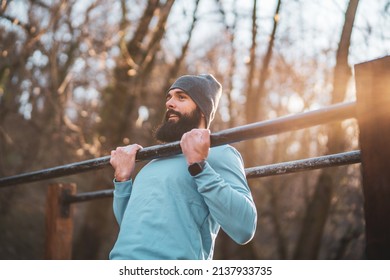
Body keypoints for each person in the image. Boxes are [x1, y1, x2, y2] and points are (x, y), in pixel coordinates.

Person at [109, 74, 257, 260]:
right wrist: (122, 181)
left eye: (181, 97)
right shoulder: (152, 163)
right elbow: (131, 227)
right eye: (169, 97)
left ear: (203, 109)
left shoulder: (219, 152)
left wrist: (199, 166)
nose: (169, 103)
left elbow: (245, 228)